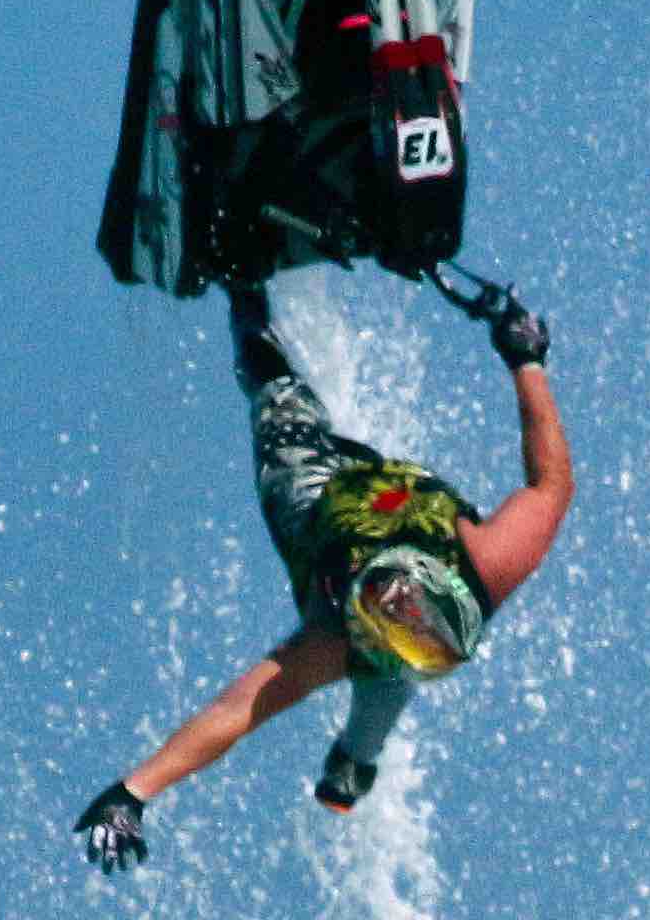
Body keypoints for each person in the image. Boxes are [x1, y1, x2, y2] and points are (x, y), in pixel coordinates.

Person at [73, 276, 568, 873]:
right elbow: (551, 483)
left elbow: (235, 713)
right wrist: (526, 358)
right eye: (397, 607)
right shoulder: (490, 560)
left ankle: (242, 291)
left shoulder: (329, 643)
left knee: (281, 398)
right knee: (385, 683)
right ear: (423, 575)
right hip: (377, 493)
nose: (389, 616)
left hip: (310, 503)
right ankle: (353, 766)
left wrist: (132, 793)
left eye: (393, 625)